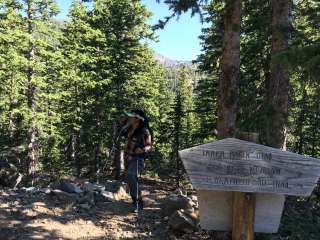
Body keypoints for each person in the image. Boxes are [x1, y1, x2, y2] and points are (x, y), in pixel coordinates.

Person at [123, 109, 152, 211]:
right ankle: (135, 200)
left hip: (138, 159)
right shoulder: (129, 128)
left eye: (131, 116)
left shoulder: (144, 131)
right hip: (128, 157)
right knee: (131, 178)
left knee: (131, 175)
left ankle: (139, 202)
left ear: (137, 119)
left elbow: (149, 146)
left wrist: (142, 149)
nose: (129, 118)